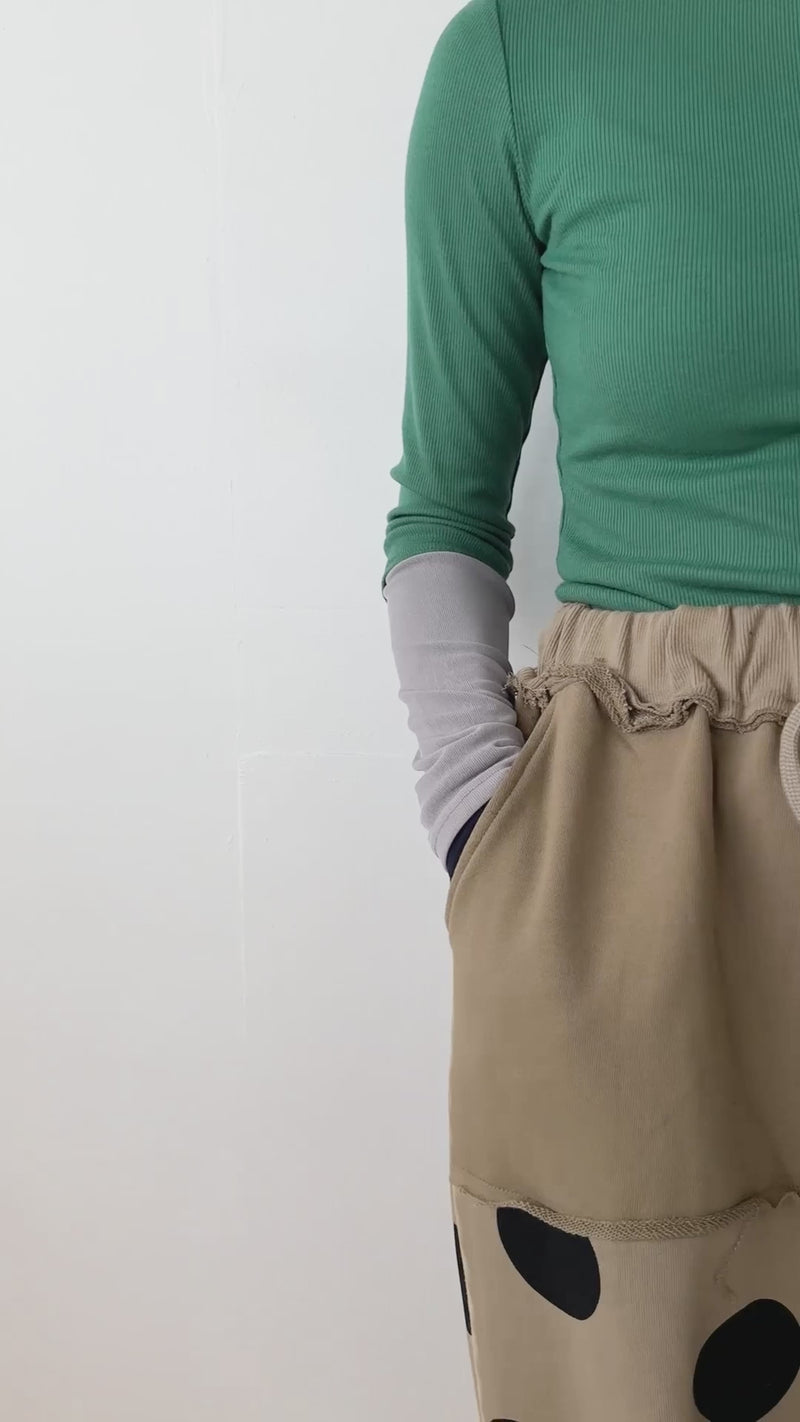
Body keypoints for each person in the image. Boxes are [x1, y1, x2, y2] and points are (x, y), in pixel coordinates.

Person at [381, 1, 800, 1417]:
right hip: (629, 860)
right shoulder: (523, 52)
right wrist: (486, 832)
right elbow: (444, 510)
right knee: (641, 1370)